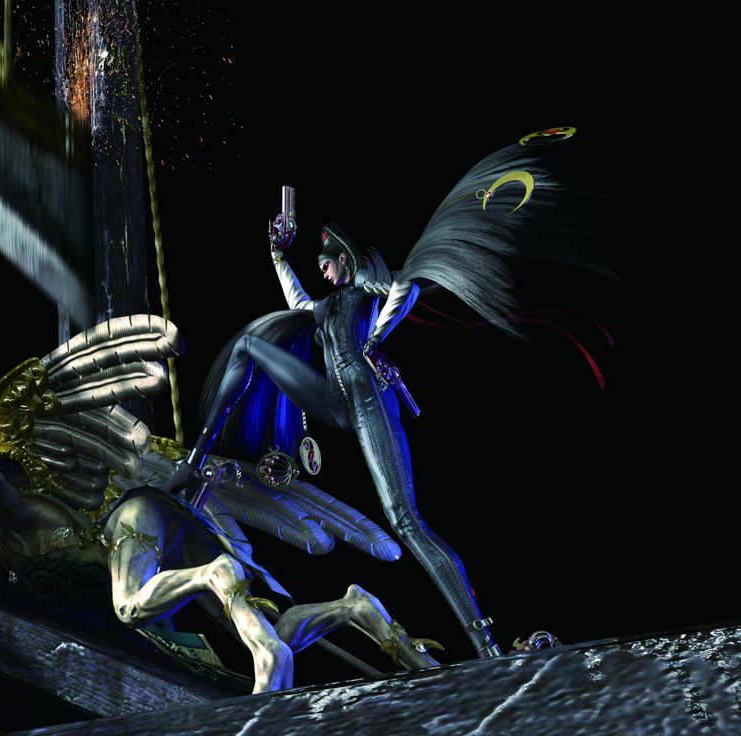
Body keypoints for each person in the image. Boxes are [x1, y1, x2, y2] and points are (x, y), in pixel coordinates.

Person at [165, 136, 611, 659]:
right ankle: (196, 461)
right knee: (248, 346)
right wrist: (277, 254)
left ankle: (485, 640)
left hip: (367, 399)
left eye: (325, 263)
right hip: (334, 398)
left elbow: (408, 289)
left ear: (343, 258)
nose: (322, 271)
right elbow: (299, 302)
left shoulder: (364, 289)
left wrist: (376, 338)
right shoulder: (328, 304)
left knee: (404, 520)